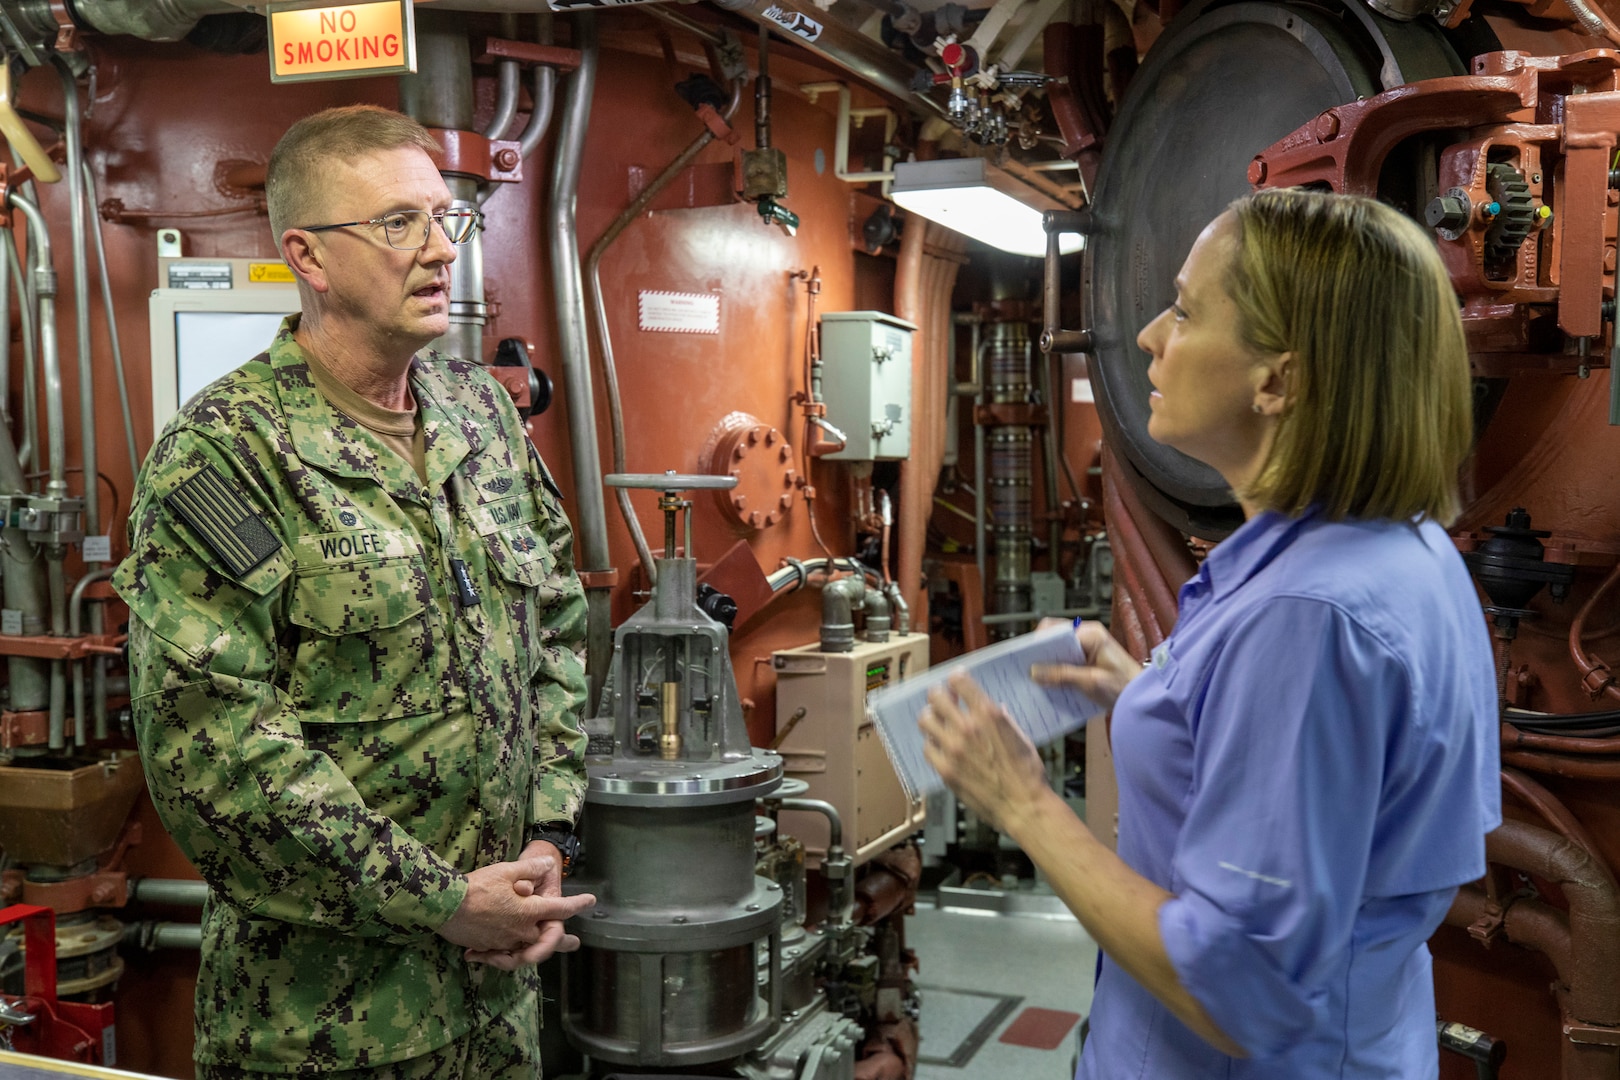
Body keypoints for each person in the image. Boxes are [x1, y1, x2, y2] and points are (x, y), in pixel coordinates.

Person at [919, 189, 1500, 1077]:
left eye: (1186, 311)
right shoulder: (1402, 550)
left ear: (1279, 379)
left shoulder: (1303, 619)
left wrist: (1023, 804)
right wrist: (1159, 697)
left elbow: (1241, 982)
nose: (1150, 336)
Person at [113, 105, 596, 1080]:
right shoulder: (226, 455)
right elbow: (220, 760)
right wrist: (441, 901)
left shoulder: (481, 418)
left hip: (496, 1006)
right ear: (309, 256)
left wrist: (547, 833)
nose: (437, 251)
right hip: (323, 1032)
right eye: (395, 224)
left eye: (442, 218)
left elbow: (553, 634)